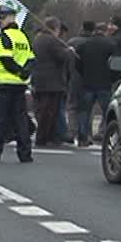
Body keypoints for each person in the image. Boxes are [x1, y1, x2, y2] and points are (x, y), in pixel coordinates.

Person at [0, 6, 36, 163]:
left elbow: (5, 59)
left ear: (9, 19)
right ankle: (25, 154)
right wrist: (25, 73)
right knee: (20, 120)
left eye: (2, 18)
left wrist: (18, 71)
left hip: (3, 84)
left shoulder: (3, 38)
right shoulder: (23, 37)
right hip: (19, 86)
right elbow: (31, 59)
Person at [31, 17, 76, 147]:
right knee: (50, 112)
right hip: (52, 82)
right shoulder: (52, 40)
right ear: (55, 28)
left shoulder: (38, 39)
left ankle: (48, 136)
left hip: (39, 79)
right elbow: (61, 57)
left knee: (42, 110)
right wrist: (70, 52)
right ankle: (45, 137)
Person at [76, 22, 118, 146]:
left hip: (87, 83)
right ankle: (106, 136)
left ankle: (83, 138)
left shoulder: (83, 45)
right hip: (104, 83)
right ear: (105, 32)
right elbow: (116, 64)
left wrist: (83, 74)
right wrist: (112, 78)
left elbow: (77, 63)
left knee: (85, 112)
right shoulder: (110, 45)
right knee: (107, 112)